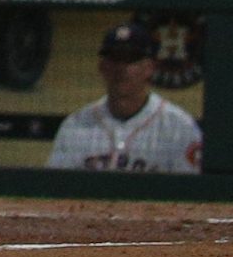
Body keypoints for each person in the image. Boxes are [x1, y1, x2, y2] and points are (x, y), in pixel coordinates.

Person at [45, 20, 202, 172]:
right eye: (114, 58)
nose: (121, 68)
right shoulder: (76, 125)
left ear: (149, 68)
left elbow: (194, 194)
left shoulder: (179, 127)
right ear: (102, 67)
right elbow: (53, 189)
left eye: (130, 59)